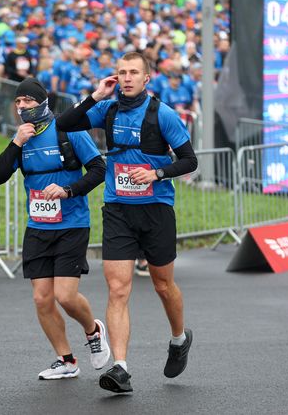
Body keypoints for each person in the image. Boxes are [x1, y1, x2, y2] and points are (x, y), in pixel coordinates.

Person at [56, 51, 198, 393]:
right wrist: (95, 95)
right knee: (118, 289)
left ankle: (179, 338)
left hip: (156, 209)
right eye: (122, 72)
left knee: (163, 286)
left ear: (146, 79)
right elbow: (65, 123)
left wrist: (155, 173)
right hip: (118, 208)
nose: (128, 77)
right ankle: (120, 368)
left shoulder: (163, 115)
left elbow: (189, 160)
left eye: (134, 72)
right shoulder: (108, 109)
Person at [0, 77, 111, 380]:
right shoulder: (23, 137)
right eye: (18, 102)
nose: (22, 106)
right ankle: (66, 360)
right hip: (38, 226)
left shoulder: (68, 129)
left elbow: (99, 170)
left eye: (28, 101)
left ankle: (93, 331)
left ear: (42, 102)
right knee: (42, 298)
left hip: (71, 224)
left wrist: (69, 190)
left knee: (66, 297)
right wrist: (16, 142)